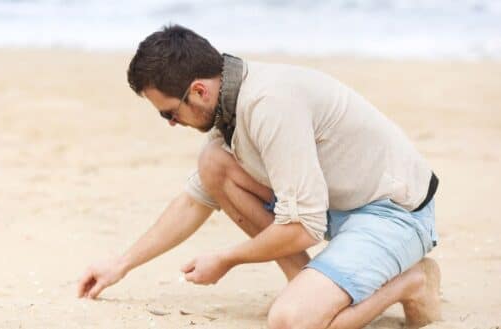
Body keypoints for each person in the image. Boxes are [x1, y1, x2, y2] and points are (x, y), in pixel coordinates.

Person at [77, 25, 441, 329]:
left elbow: (303, 226)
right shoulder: (230, 103)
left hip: (394, 213)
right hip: (338, 201)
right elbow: (195, 199)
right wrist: (120, 264)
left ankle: (413, 282)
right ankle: (308, 283)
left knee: (290, 321)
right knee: (213, 163)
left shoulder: (268, 104)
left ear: (199, 91)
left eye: (169, 114)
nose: (172, 124)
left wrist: (226, 259)